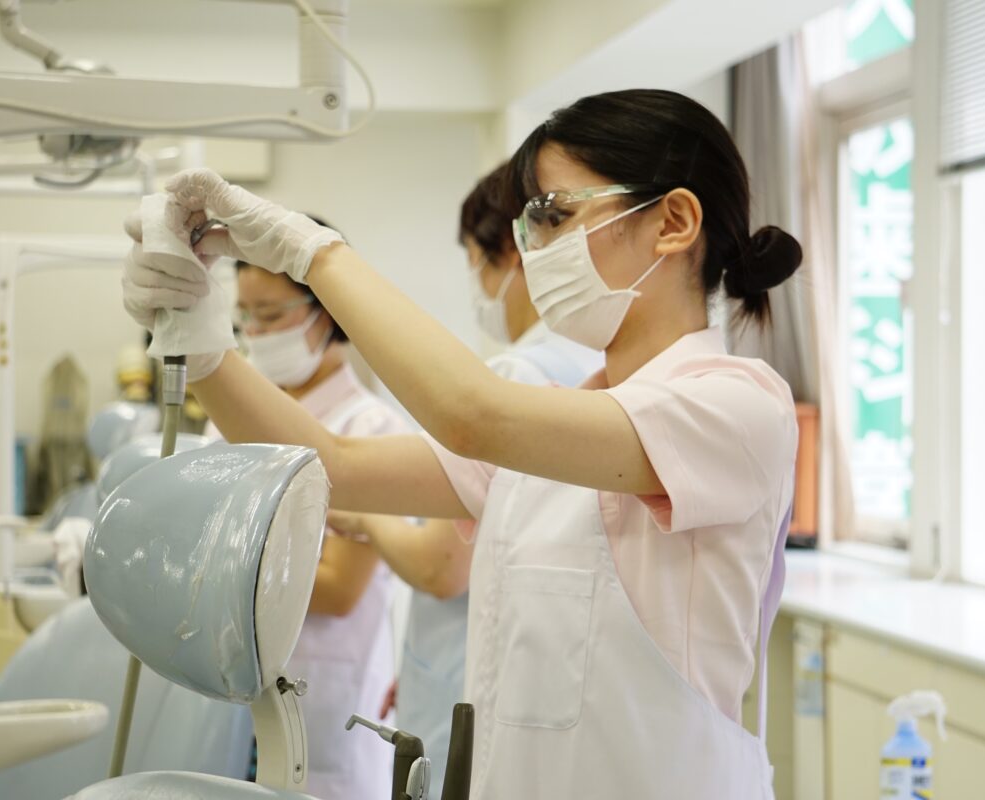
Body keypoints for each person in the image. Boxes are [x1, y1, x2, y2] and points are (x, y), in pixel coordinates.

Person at [122, 88, 802, 798]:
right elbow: (334, 465)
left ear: (674, 221)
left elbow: (474, 416)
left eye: (555, 216)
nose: (534, 252)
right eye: (530, 226)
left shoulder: (737, 406)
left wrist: (313, 255)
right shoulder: (556, 426)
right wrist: (202, 344)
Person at [326, 163, 602, 798]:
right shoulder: (594, 365)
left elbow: (440, 567)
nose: (477, 286)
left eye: (476, 263)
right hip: (521, 683)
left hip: (476, 692)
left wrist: (365, 518)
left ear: (512, 249)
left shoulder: (518, 377)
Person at [205, 222, 407, 800]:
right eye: (245, 316)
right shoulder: (230, 426)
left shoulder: (370, 428)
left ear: (328, 312)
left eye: (271, 315)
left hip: (322, 696)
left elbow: (340, 588)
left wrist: (216, 572)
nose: (255, 333)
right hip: (228, 696)